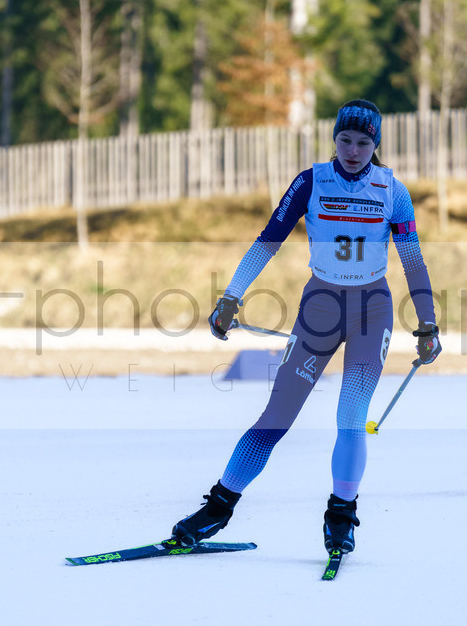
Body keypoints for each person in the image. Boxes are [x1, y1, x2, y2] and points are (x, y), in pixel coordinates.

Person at [172, 99, 441, 554]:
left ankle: (342, 515)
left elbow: (412, 261)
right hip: (319, 308)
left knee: (351, 419)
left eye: (363, 142)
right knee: (276, 418)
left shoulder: (391, 189)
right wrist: (231, 296)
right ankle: (218, 507)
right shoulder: (311, 181)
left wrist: (427, 323)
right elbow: (267, 242)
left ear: (375, 145)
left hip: (370, 312)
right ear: (333, 139)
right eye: (345, 140)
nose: (353, 150)